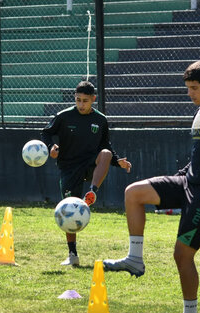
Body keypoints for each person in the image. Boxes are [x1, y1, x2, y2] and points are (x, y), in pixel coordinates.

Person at [103, 61, 200, 313]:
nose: (189, 93)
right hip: (187, 182)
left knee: (182, 256)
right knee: (133, 193)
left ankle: (190, 311)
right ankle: (134, 259)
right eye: (187, 88)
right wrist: (182, 175)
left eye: (194, 88)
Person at [41, 81, 132, 266]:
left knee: (105, 154)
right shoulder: (63, 116)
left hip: (90, 164)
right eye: (78, 100)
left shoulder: (101, 120)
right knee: (68, 209)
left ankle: (92, 192)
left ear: (93, 99)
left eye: (85, 101)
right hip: (69, 168)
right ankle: (72, 255)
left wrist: (117, 161)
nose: (81, 104)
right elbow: (46, 133)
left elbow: (105, 146)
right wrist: (52, 147)